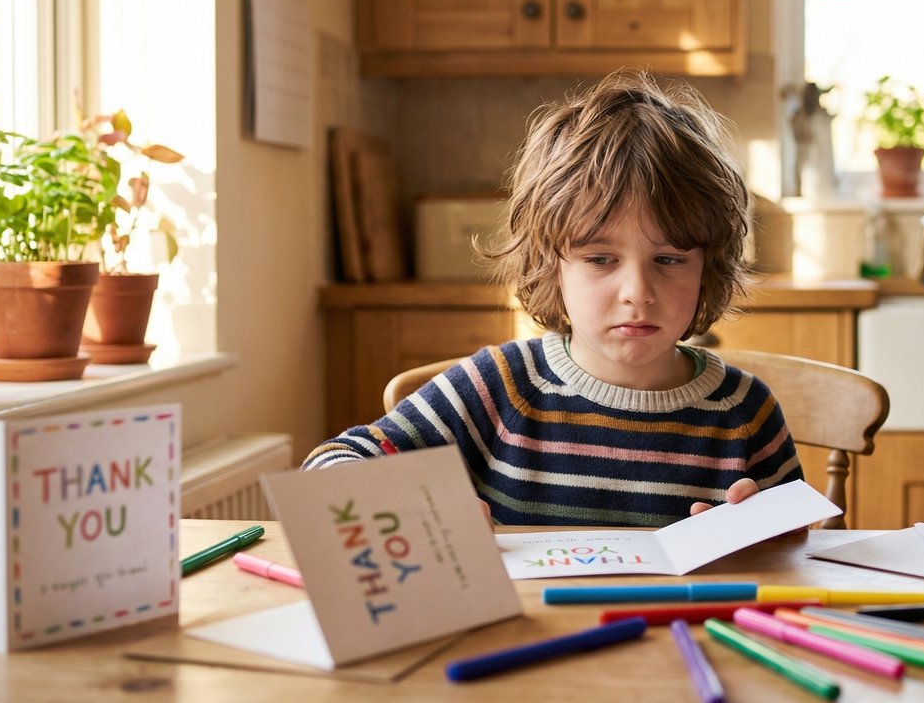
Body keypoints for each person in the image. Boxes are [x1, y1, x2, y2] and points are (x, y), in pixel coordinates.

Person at [303, 71, 804, 526]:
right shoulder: (498, 386)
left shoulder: (747, 411)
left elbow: (804, 553)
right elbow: (328, 465)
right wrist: (415, 506)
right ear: (552, 267)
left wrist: (767, 535)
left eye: (670, 260)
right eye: (600, 260)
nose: (638, 293)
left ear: (706, 267)